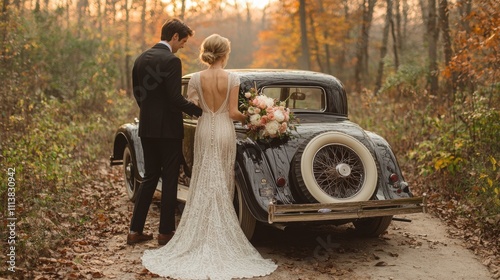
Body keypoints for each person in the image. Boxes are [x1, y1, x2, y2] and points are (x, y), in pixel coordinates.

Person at [141, 34, 278, 279]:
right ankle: (220, 232)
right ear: (225, 53)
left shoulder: (195, 77)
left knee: (203, 175)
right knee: (223, 180)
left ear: (207, 52)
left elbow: (192, 107)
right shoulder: (232, 78)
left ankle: (199, 232)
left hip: (205, 130)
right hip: (225, 130)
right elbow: (235, 113)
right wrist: (259, 117)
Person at [127, 18, 203, 246]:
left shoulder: (141, 59)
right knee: (170, 178)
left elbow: (138, 94)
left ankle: (134, 231)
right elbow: (175, 98)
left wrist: (150, 115)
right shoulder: (171, 61)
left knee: (149, 177)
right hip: (169, 130)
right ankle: (165, 233)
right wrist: (200, 111)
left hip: (147, 128)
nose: (183, 46)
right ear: (175, 37)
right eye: (183, 41)